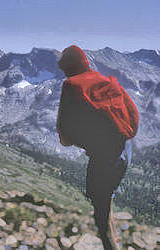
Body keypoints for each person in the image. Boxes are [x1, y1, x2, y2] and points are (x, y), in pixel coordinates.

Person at [56, 45, 139, 250]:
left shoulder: (71, 85)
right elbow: (133, 114)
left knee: (100, 212)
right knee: (106, 199)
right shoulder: (108, 81)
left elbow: (64, 135)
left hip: (104, 157)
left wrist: (83, 140)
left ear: (67, 67)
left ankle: (112, 246)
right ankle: (114, 238)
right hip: (125, 148)